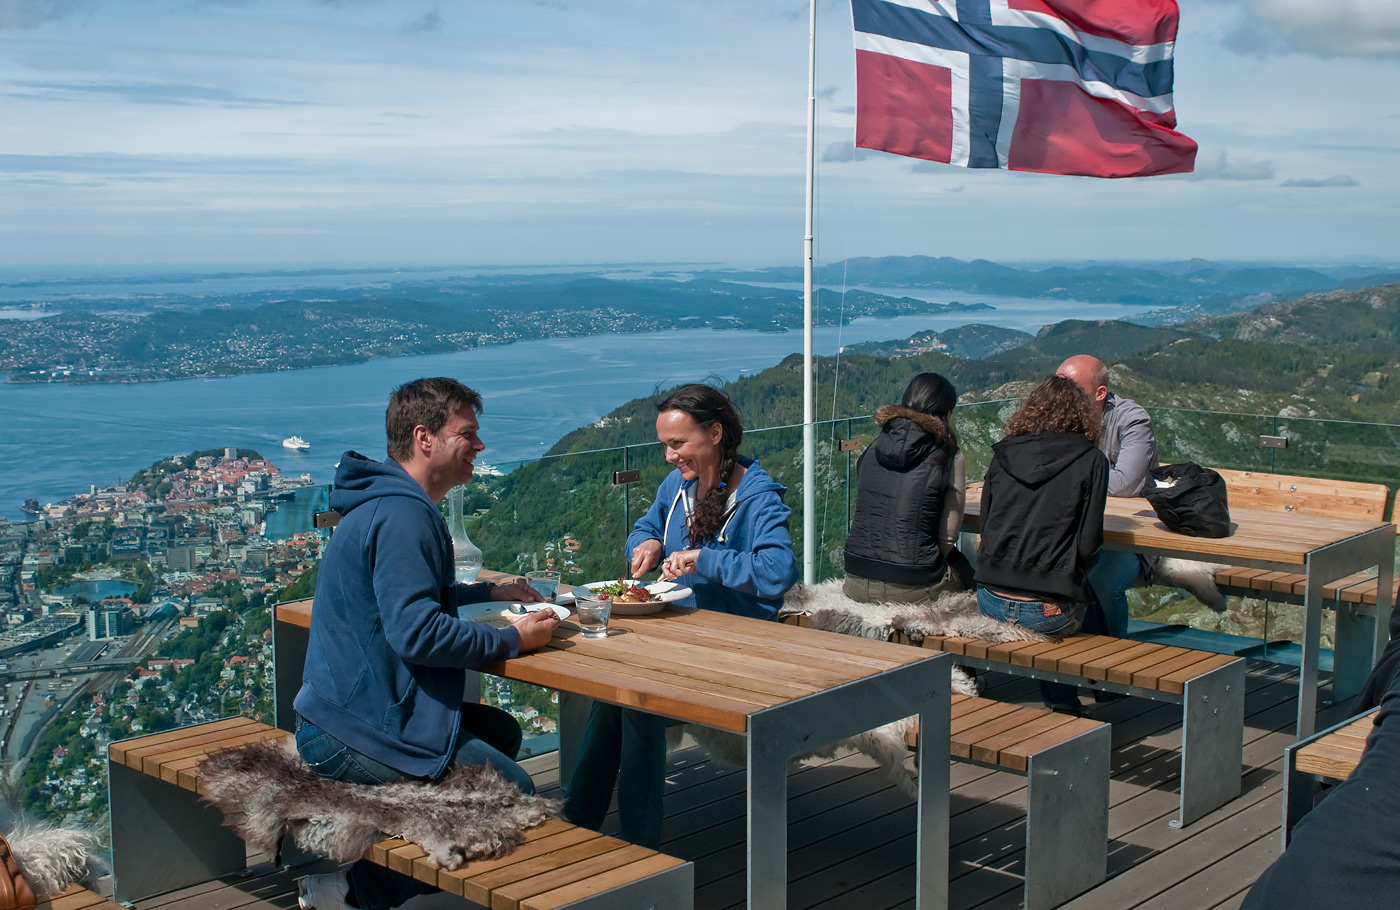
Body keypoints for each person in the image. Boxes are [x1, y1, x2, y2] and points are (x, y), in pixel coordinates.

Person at [293, 378, 561, 910]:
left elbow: (405, 599)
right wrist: (512, 640)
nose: (480, 446)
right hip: (355, 731)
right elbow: (415, 631)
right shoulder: (403, 515)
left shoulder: (387, 503)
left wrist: (485, 591)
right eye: (468, 434)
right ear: (424, 438)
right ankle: (350, 892)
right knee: (515, 798)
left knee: (501, 732)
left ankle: (389, 859)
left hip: (347, 713)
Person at [563, 383, 799, 848]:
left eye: (677, 444)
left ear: (715, 434)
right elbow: (645, 529)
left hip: (739, 647)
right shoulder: (677, 488)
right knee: (615, 694)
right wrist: (645, 544)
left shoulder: (758, 498)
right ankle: (583, 825)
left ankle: (632, 842)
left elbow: (778, 572)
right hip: (680, 640)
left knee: (637, 702)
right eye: (665, 446)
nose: (669, 457)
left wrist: (702, 559)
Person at [975, 375, 1109, 713]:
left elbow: (986, 522)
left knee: (1074, 594)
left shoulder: (1003, 454)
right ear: (1082, 415)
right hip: (1047, 613)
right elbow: (1089, 544)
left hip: (988, 599)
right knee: (1088, 597)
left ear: (1031, 410)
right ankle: (1076, 699)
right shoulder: (1092, 461)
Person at [1056, 354, 1158, 639]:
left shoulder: (1132, 420)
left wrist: (1070, 477)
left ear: (1100, 393)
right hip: (1077, 528)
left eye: (1071, 387)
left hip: (1131, 537)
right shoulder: (1058, 419)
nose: (1062, 395)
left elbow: (1126, 485)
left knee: (1100, 581)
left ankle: (1112, 658)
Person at [843, 372, 969, 603]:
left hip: (855, 578)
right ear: (947, 414)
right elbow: (948, 536)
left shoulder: (873, 447)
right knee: (970, 577)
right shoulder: (948, 455)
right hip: (913, 585)